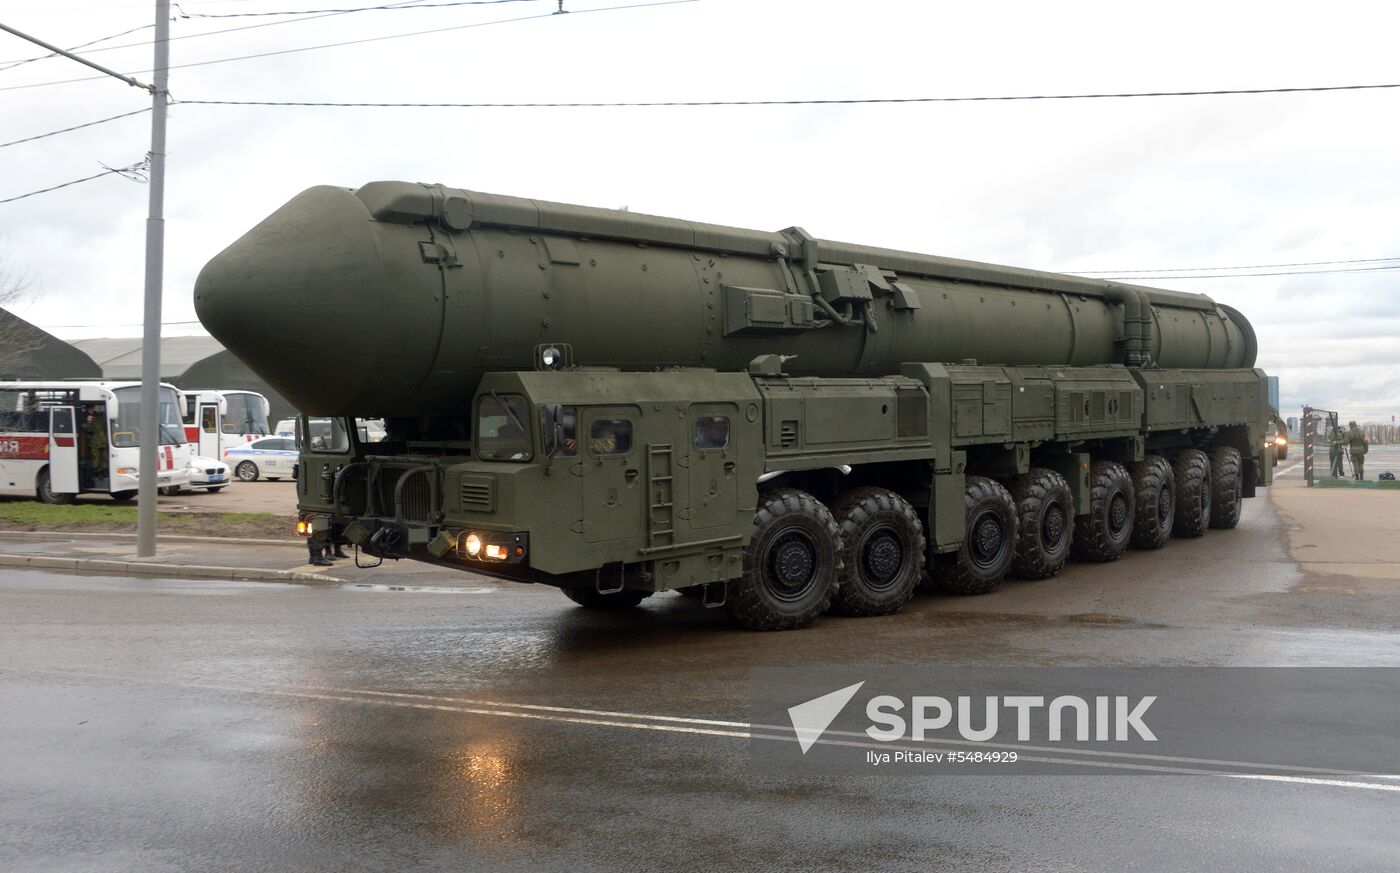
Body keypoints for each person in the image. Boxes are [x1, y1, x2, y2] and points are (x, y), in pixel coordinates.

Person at [80, 404, 108, 489]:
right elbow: (86, 429)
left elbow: (104, 426)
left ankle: (102, 473)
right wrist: (88, 421)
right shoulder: (85, 418)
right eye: (90, 409)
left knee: (104, 458)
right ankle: (94, 475)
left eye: (92, 408)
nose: (92, 410)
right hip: (94, 443)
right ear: (87, 409)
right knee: (95, 460)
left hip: (103, 441)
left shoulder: (99, 416)